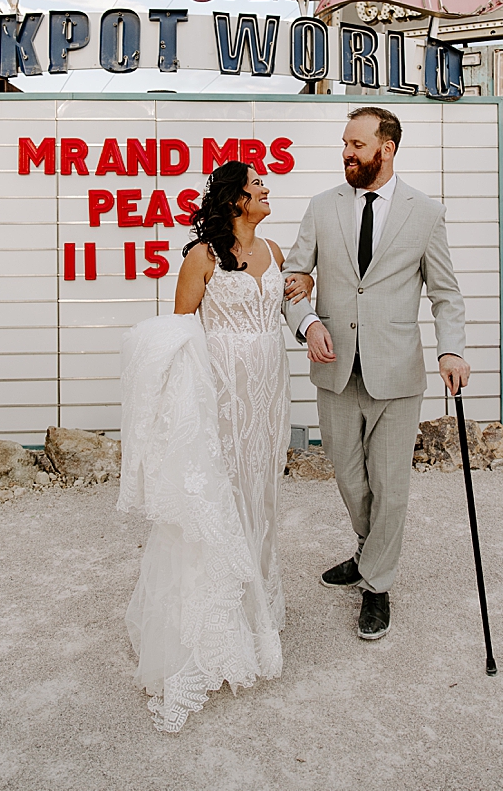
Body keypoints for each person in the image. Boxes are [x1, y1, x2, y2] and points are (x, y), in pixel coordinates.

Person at [117, 161, 306, 732]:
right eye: (258, 186)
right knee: (219, 495)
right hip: (219, 392)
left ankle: (257, 603)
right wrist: (179, 414)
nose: (267, 190)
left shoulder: (274, 249)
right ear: (235, 200)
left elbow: (285, 297)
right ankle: (217, 618)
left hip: (269, 392)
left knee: (261, 490)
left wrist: (308, 285)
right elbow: (178, 333)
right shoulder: (200, 256)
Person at [282, 106, 468, 643]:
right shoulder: (321, 208)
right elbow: (294, 276)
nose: (347, 153)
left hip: (397, 371)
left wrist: (452, 350)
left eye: (358, 145)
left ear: (386, 148)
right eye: (345, 143)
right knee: (349, 477)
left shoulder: (425, 213)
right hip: (334, 367)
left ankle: (377, 585)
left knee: (391, 485)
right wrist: (307, 321)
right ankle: (368, 550)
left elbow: (446, 293)